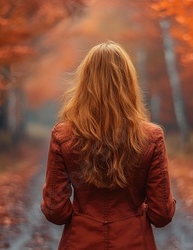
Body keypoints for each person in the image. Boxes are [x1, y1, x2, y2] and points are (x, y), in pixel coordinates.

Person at [41, 41, 176, 249]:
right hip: (135, 241)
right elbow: (162, 215)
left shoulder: (63, 135)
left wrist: (80, 213)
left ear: (85, 83)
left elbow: (55, 211)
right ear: (129, 83)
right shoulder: (151, 136)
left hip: (80, 240)